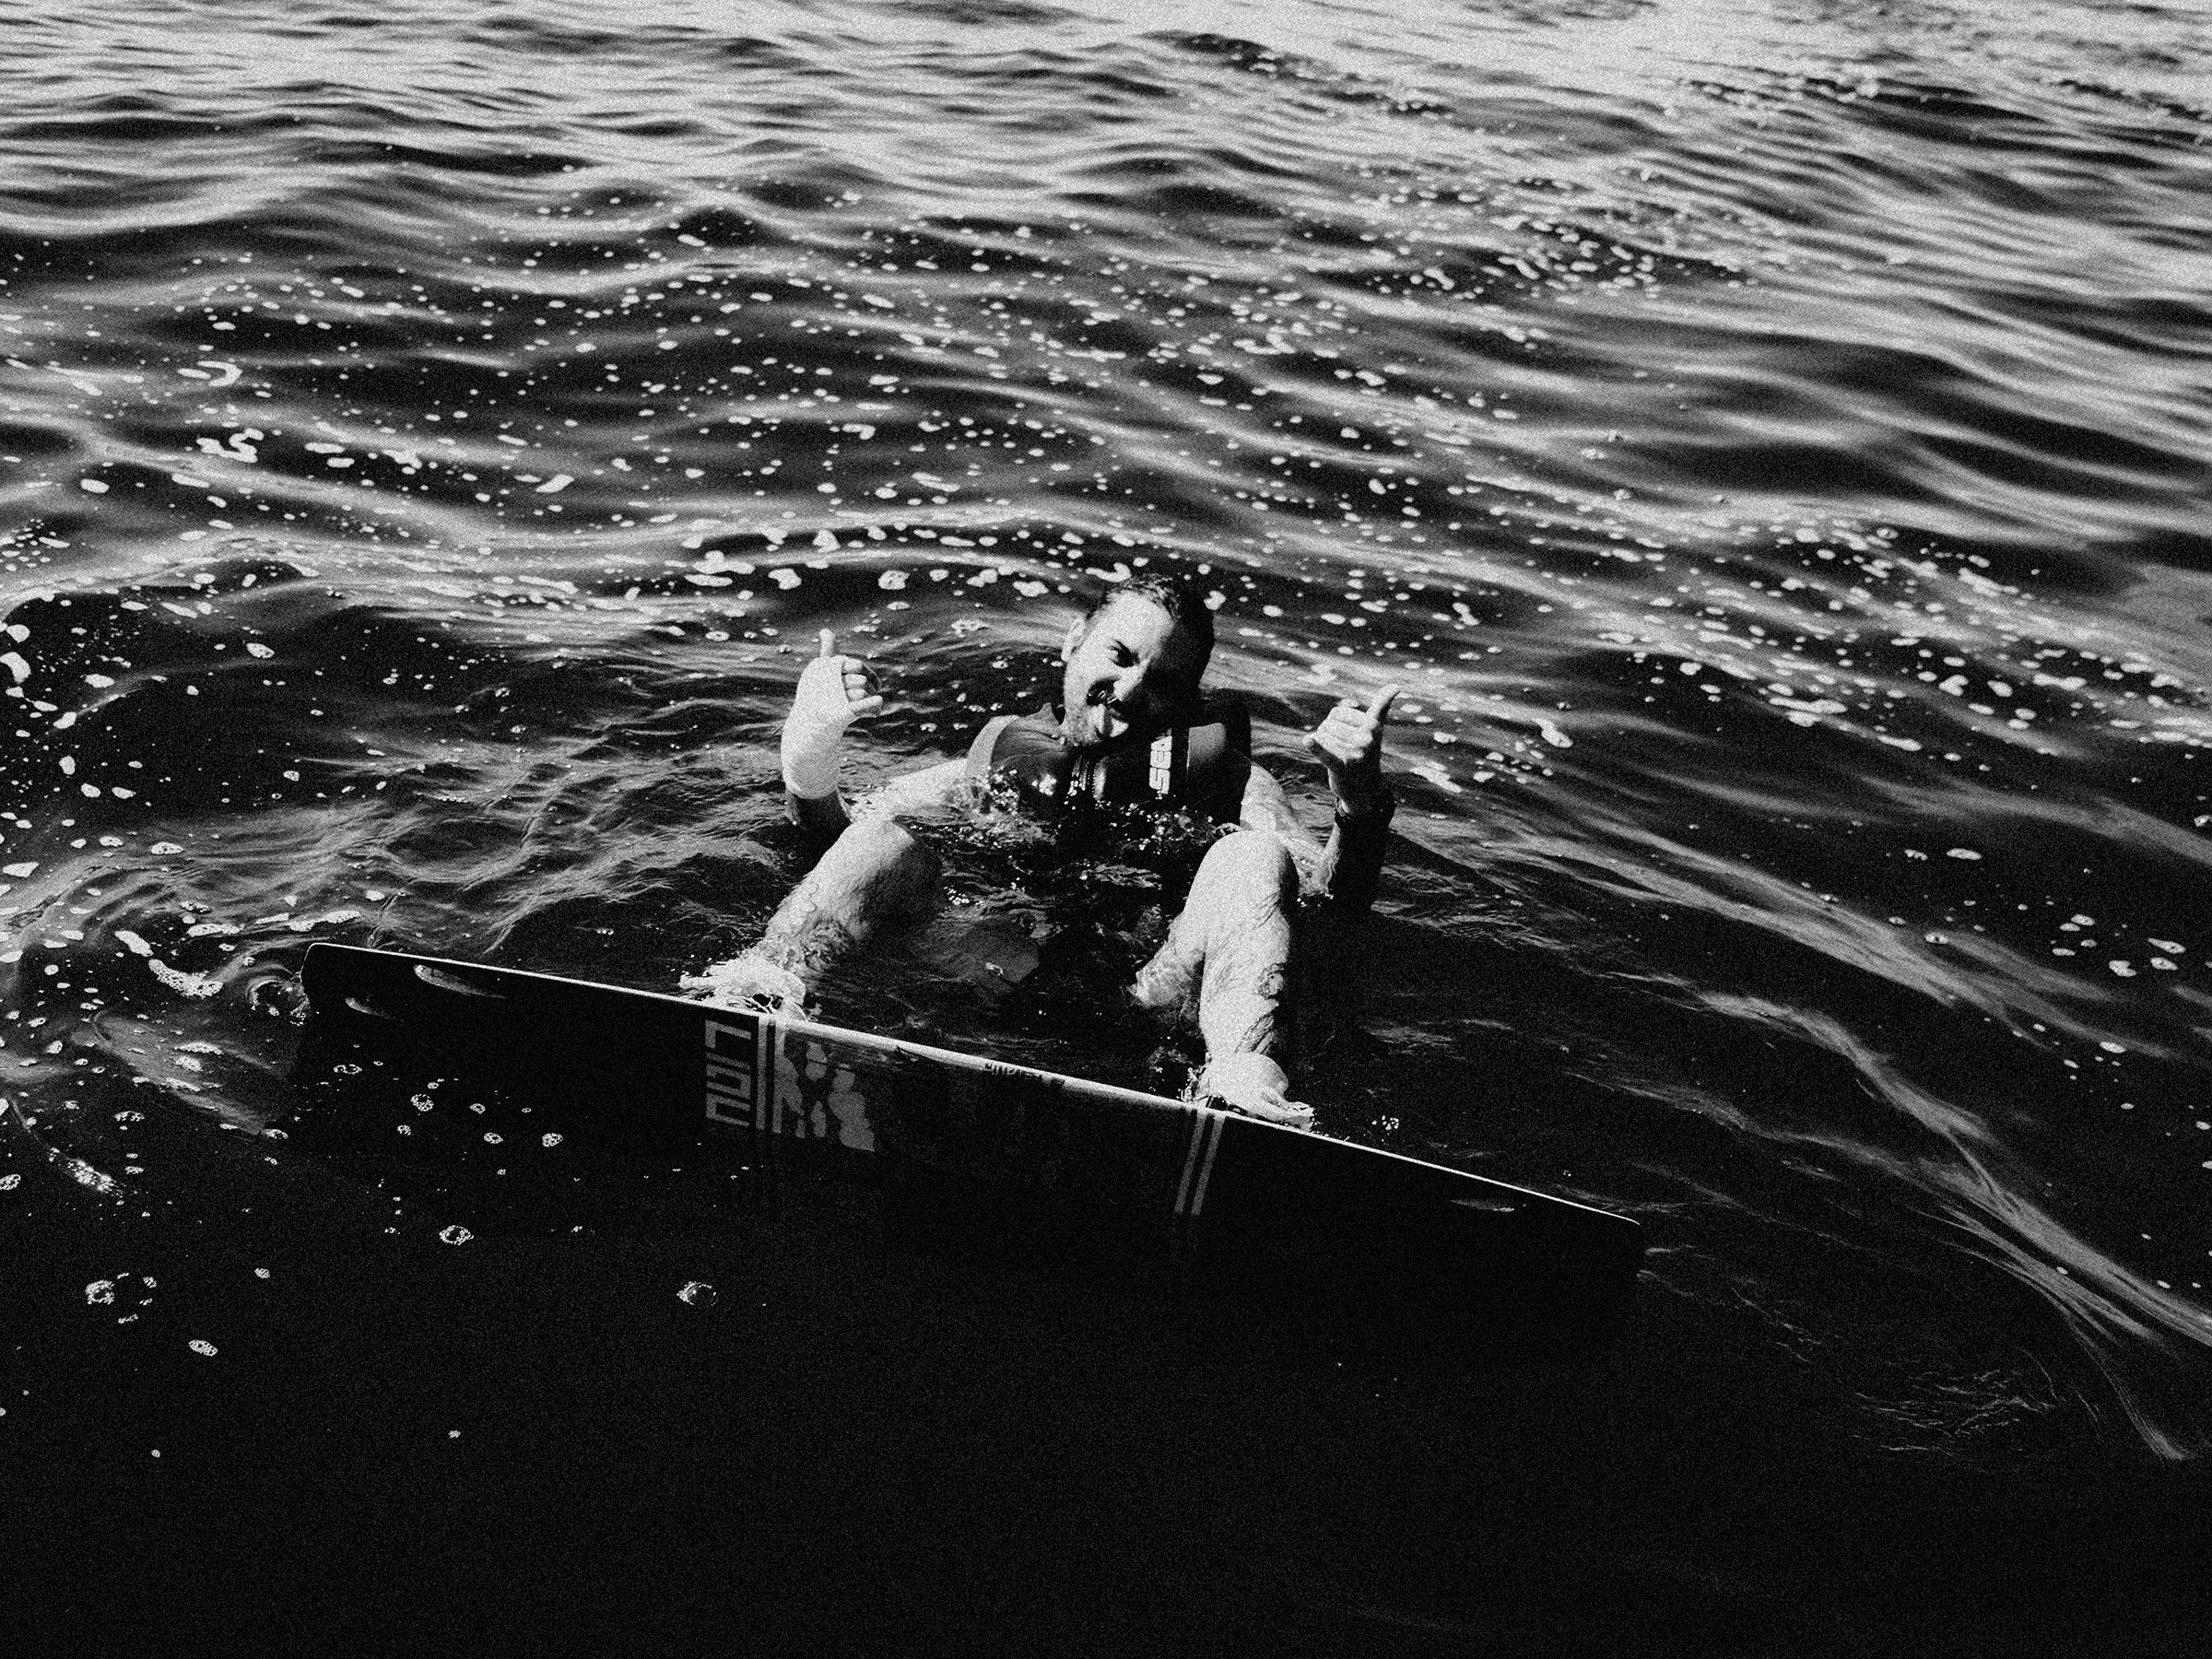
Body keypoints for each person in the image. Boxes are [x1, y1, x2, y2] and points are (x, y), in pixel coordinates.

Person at [683, 568, 1398, 1128]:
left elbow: (1329, 900)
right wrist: (812, 761)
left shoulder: (1232, 782)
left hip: (1150, 994)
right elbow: (839, 846)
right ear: (1073, 643)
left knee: (1249, 860)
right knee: (884, 838)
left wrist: (1356, 802)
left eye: (1163, 682)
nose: (1127, 690)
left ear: (1186, 701)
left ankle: (1244, 1087)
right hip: (992, 966)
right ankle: (754, 996)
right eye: (1119, 657)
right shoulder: (1003, 756)